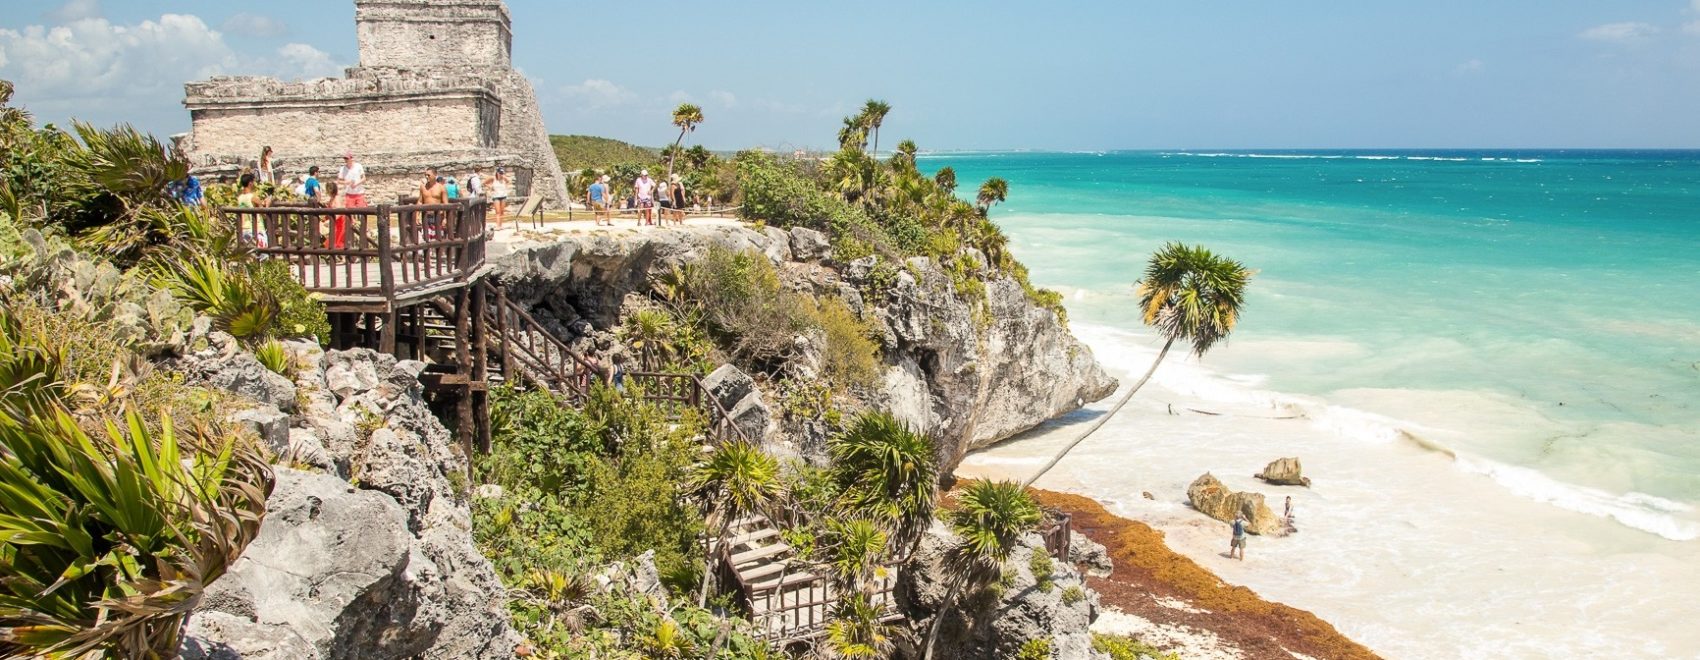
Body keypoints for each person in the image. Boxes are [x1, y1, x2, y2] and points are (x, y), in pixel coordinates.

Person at [324, 181, 347, 250]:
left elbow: (339, 212)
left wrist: (331, 220)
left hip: (341, 221)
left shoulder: (337, 198)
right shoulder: (332, 199)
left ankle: (345, 258)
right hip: (336, 222)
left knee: (338, 240)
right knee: (333, 240)